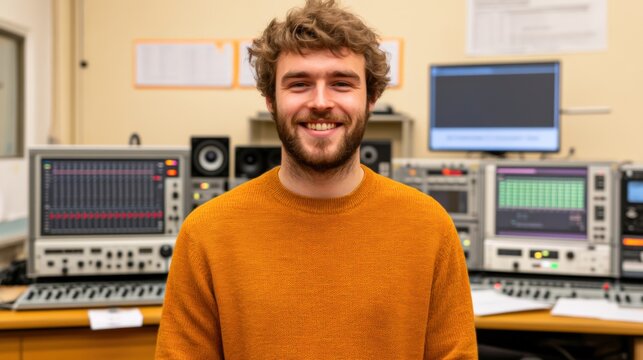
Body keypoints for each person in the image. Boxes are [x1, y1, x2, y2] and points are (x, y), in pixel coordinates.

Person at [155, 0, 477, 358]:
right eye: (299, 84)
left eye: (341, 83)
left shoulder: (429, 227)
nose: (321, 102)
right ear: (270, 100)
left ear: (371, 98)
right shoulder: (206, 233)